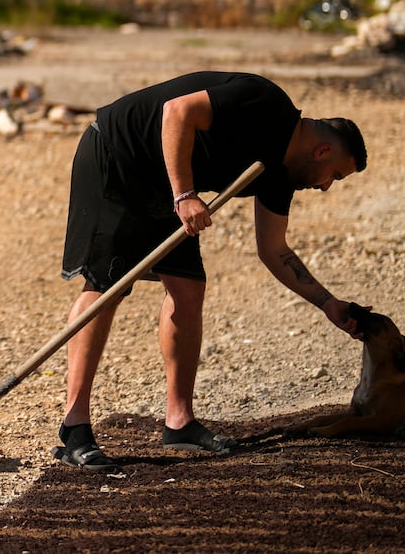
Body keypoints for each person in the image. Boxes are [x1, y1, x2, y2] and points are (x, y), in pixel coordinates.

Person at [52, 71, 367, 471]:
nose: (326, 187)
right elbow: (178, 111)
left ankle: (179, 421)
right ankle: (75, 426)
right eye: (335, 176)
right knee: (107, 285)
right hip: (119, 153)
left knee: (187, 288)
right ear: (322, 152)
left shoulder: (280, 173)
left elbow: (274, 250)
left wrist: (328, 303)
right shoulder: (264, 102)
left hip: (165, 178)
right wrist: (184, 195)